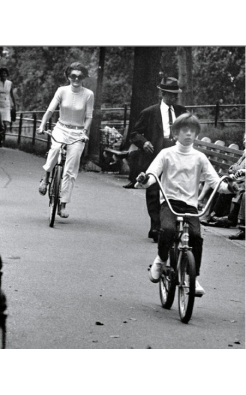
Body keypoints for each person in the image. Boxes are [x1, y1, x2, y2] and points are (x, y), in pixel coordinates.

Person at [136, 113, 237, 296]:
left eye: (192, 131)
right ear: (175, 133)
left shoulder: (199, 157)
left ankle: (193, 278)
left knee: (196, 236)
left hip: (190, 205)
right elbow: (152, 175)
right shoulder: (166, 154)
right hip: (169, 202)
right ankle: (161, 258)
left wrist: (229, 187)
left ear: (196, 134)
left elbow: (215, 182)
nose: (188, 134)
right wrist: (144, 179)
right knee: (167, 229)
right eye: (184, 130)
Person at [127, 77, 186, 242]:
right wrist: (144, 142)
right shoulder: (149, 112)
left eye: (176, 95)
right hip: (155, 154)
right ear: (163, 93)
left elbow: (189, 129)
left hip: (176, 153)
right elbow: (134, 134)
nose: (174, 98)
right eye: (171, 95)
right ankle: (155, 226)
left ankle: (171, 225)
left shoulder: (182, 111)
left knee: (174, 189)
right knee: (154, 191)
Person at [37, 62, 94, 218]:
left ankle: (62, 205)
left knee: (71, 169)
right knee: (55, 149)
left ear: (84, 78)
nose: (76, 79)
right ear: (68, 76)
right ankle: (46, 177)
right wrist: (42, 125)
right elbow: (50, 110)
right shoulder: (62, 91)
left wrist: (84, 132)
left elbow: (89, 116)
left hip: (77, 133)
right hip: (61, 129)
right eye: (73, 76)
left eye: (80, 76)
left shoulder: (88, 94)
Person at [200, 136, 245, 226]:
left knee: (226, 187)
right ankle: (208, 214)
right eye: (244, 139)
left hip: (242, 183)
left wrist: (236, 170)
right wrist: (233, 170)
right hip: (237, 179)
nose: (244, 141)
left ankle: (214, 215)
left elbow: (240, 170)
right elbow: (234, 166)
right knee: (216, 184)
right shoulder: (244, 154)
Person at [0, 67, 16, 147]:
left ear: (7, 75)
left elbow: (12, 95)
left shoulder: (9, 83)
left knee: (5, 123)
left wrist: (14, 105)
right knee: (0, 123)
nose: (3, 74)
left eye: (5, 73)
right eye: (2, 73)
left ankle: (2, 138)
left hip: (6, 105)